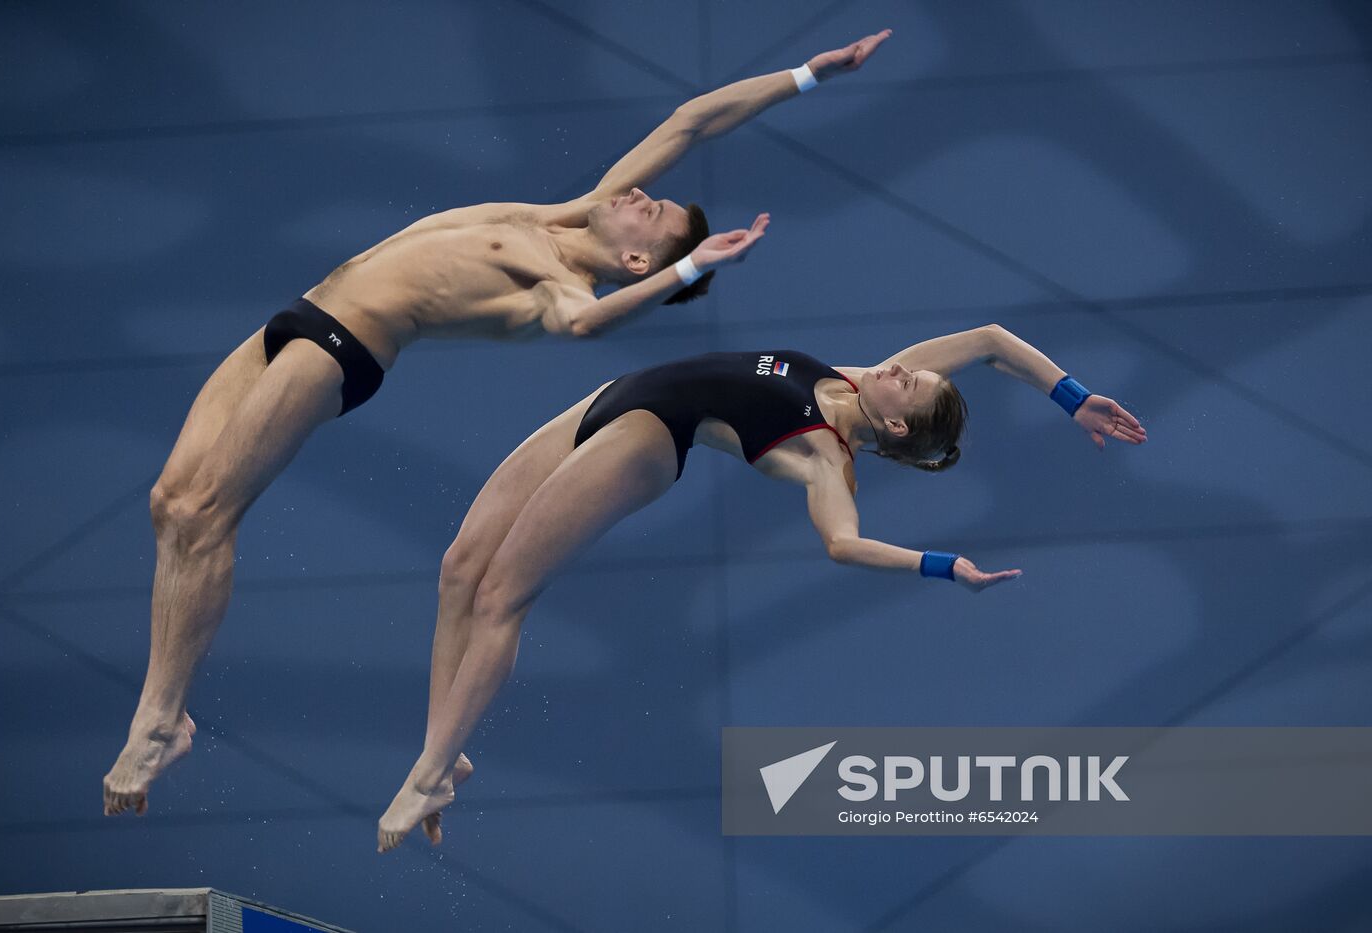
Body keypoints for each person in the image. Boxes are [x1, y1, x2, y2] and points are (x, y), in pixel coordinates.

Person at [102, 29, 897, 817]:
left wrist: (691, 266)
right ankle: (164, 714)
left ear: (636, 263)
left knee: (208, 511)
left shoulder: (559, 286)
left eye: (649, 213)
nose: (636, 195)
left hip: (340, 347)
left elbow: (587, 326)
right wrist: (808, 73)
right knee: (172, 502)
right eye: (647, 196)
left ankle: (162, 722)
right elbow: (692, 121)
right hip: (299, 315)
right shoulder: (566, 214)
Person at [375, 323, 1147, 850]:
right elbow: (991, 341)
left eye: (909, 382)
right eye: (910, 368)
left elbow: (842, 543)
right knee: (460, 567)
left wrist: (941, 565)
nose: (900, 367)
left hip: (649, 438)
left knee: (502, 595)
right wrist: (1074, 396)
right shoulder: (856, 379)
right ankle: (443, 757)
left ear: (897, 427)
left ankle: (430, 772)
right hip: (618, 393)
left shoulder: (827, 455)